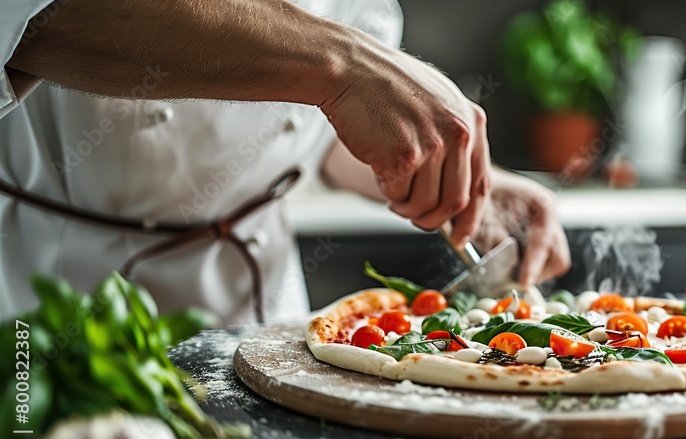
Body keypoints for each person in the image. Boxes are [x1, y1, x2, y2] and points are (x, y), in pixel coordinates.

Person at [0, 0, 570, 324]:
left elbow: (316, 132)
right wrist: (341, 63)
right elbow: (40, 23)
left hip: (262, 314)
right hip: (56, 307)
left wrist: (458, 172)